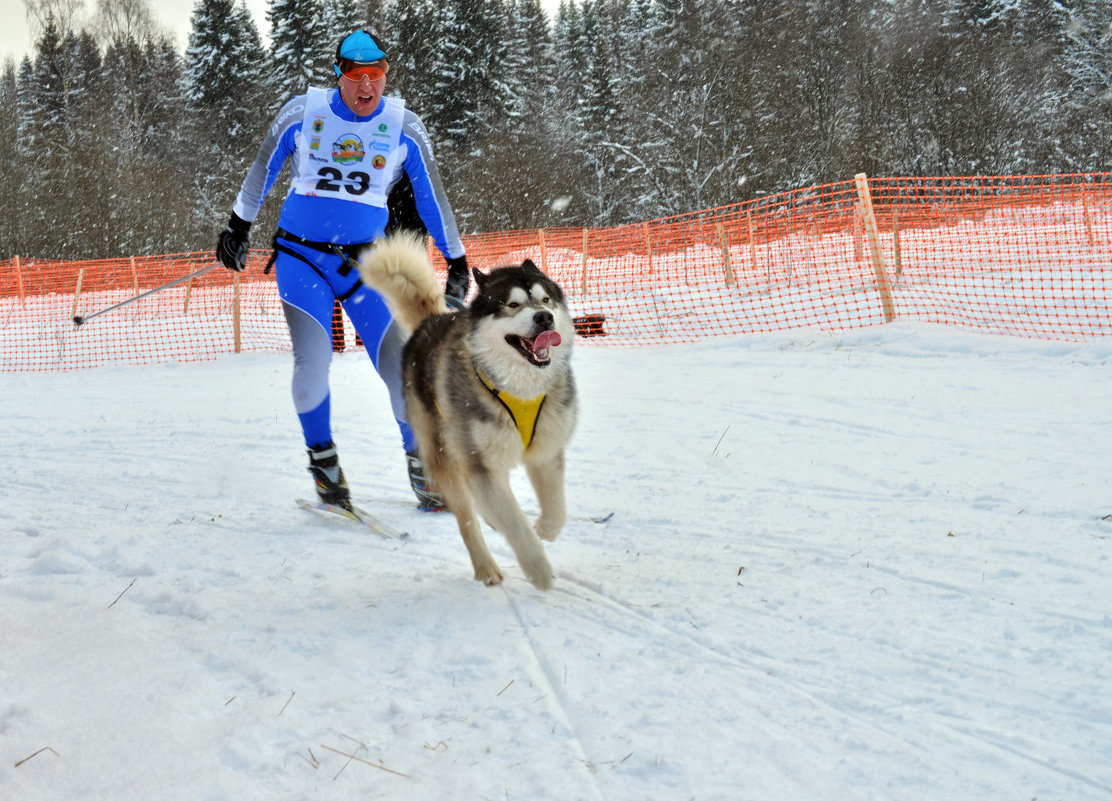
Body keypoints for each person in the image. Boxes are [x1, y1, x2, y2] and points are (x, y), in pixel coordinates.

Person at [215, 29, 469, 511]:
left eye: (376, 76)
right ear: (340, 75)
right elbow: (261, 170)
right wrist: (236, 227)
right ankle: (325, 468)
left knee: (402, 367)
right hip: (302, 257)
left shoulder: (403, 127)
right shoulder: (302, 113)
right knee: (313, 364)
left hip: (364, 264)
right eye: (357, 77)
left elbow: (433, 199)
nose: (367, 87)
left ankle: (425, 470)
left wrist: (456, 259)